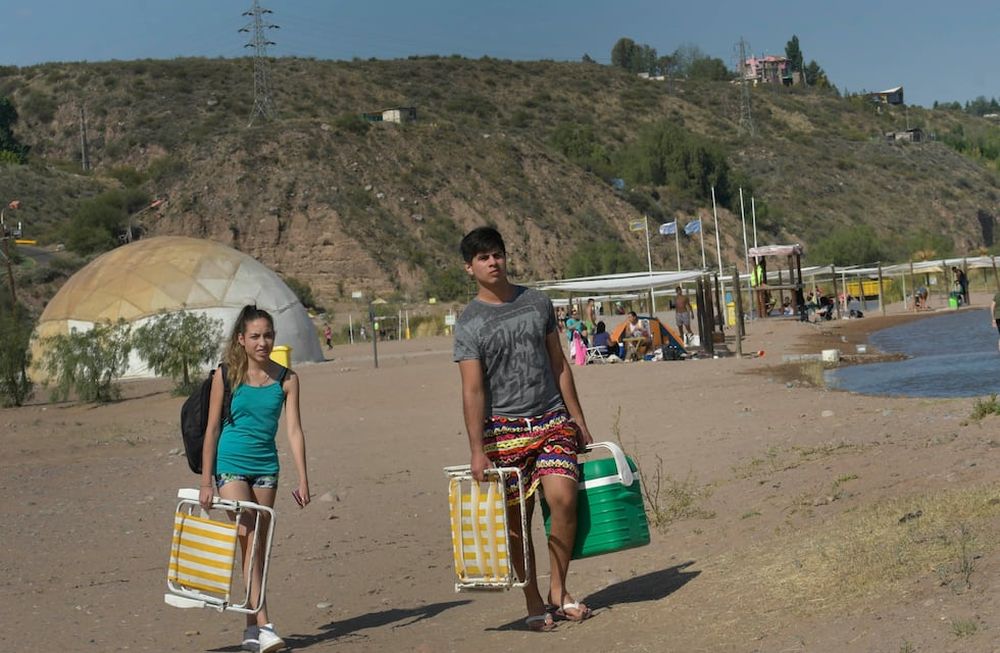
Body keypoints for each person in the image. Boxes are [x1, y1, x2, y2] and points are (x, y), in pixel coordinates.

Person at [454, 227, 594, 632]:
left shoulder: (537, 303)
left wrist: (578, 419)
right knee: (517, 523)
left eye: (497, 254)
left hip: (551, 419)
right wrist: (477, 448)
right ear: (470, 268)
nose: (493, 262)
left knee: (564, 498)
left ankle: (559, 590)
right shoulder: (469, 322)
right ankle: (533, 599)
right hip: (502, 431)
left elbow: (560, 364)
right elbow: (472, 388)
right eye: (483, 258)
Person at [199, 305, 311, 653]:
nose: (263, 342)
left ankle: (250, 630)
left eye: (268, 335)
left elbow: (293, 430)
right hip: (230, 463)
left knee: (258, 546)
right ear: (241, 340)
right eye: (255, 336)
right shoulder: (226, 375)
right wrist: (206, 481)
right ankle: (266, 622)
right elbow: (212, 427)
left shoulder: (287, 379)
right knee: (247, 536)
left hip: (266, 468)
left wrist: (303, 478)